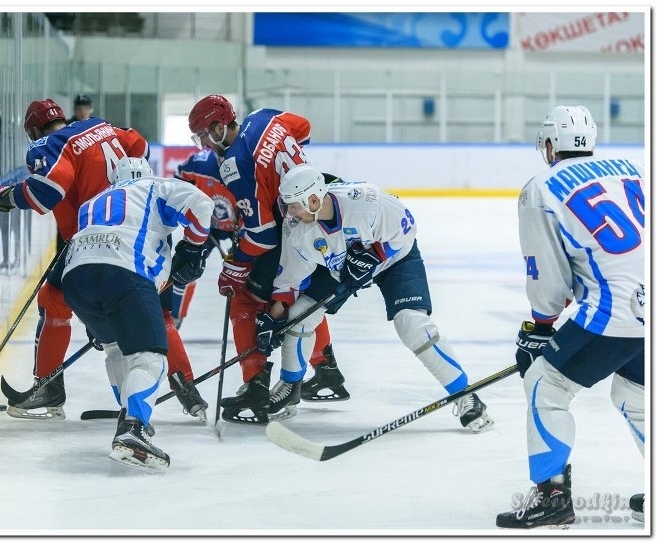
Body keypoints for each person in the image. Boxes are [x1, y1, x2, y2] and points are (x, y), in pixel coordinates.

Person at [496, 106, 645, 529]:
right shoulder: (631, 170)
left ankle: (552, 497)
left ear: (549, 146)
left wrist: (540, 328)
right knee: (637, 396)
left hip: (616, 310)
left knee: (545, 385)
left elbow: (547, 275)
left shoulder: (540, 188)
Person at [260, 164, 495, 430]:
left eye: (293, 206)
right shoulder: (296, 228)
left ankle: (465, 395)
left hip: (395, 260)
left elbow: (406, 226)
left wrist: (376, 254)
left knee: (412, 325)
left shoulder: (365, 200)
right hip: (342, 270)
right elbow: (290, 278)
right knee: (297, 318)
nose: (289, 213)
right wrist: (276, 316)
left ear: (313, 200)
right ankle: (290, 387)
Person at [0, 98, 149, 418]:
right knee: (80, 304)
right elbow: (140, 146)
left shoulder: (50, 143)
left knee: (58, 301)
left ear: (34, 131)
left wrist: (0, 196)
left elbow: (45, 194)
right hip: (131, 230)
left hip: (91, 241)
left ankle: (50, 388)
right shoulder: (100, 125)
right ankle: (173, 387)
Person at [187, 94, 349, 424]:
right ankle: (326, 369)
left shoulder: (235, 163)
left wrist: (235, 265)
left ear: (219, 127)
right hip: (319, 204)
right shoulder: (265, 117)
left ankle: (256, 389)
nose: (203, 144)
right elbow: (303, 128)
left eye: (204, 134)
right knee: (301, 297)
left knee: (245, 300)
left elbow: (262, 235)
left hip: (293, 226)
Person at [61, 156, 213, 471]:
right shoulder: (155, 186)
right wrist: (194, 248)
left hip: (75, 278)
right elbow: (202, 205)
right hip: (124, 271)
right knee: (150, 358)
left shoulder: (93, 201)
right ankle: (133, 428)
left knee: (116, 350)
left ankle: (127, 414)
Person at [170, 148, 238, 328]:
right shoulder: (200, 163)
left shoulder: (246, 166)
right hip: (207, 225)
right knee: (185, 268)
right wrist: (192, 208)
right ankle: (173, 318)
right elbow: (179, 180)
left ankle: (248, 322)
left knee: (242, 276)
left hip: (240, 228)